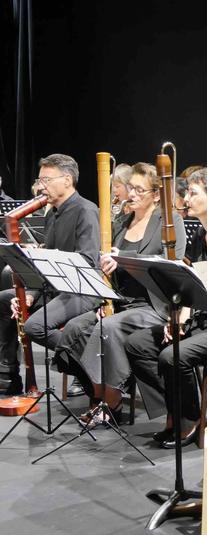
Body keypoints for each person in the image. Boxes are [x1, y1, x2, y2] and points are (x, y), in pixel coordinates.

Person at [125, 168, 207, 447]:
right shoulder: (200, 236)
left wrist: (191, 320)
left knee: (174, 357)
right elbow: (189, 289)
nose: (186, 197)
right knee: (138, 343)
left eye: (193, 193)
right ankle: (174, 411)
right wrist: (179, 322)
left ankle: (191, 419)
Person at [54, 162, 186, 423]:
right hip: (120, 301)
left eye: (139, 189)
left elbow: (172, 262)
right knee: (75, 327)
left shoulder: (170, 221)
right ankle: (98, 394)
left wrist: (124, 258)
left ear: (157, 194)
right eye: (131, 188)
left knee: (109, 328)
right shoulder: (122, 221)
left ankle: (110, 404)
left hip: (152, 305)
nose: (132, 194)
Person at [0, 154, 100, 395]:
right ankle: (7, 374)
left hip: (81, 290)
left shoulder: (86, 210)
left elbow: (86, 261)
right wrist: (32, 295)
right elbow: (46, 264)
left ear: (67, 180)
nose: (41, 185)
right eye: (40, 179)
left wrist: (48, 261)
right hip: (55, 289)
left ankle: (93, 365)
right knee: (4, 299)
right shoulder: (53, 213)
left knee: (35, 326)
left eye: (46, 179)